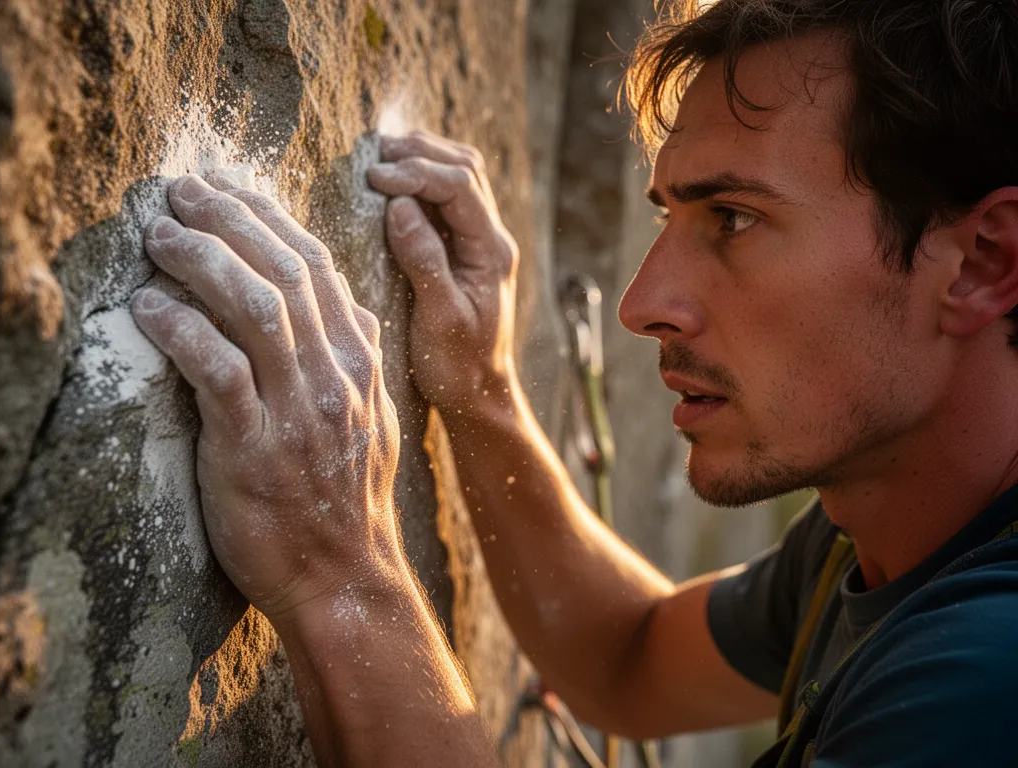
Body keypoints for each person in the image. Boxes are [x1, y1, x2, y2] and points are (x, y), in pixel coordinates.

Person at [129, 0, 1018, 765]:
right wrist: (478, 389)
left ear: (982, 261)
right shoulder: (876, 539)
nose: (641, 305)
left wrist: (340, 575)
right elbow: (627, 660)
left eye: (735, 218)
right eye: (673, 217)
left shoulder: (980, 684)